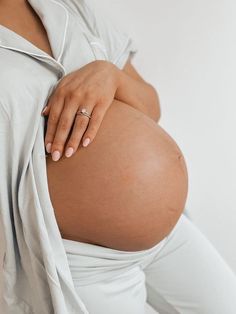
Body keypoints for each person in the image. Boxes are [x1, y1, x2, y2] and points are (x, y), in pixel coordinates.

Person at [0, 0, 236, 313]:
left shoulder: (67, 6)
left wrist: (110, 75)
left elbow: (151, 107)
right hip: (76, 258)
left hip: (166, 234)